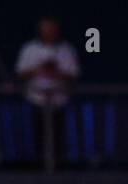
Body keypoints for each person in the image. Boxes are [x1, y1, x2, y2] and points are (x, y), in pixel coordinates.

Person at [15, 17, 80, 165]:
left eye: (52, 30)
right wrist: (39, 68)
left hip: (59, 101)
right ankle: (38, 165)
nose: (49, 33)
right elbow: (20, 73)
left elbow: (73, 75)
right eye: (46, 30)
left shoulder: (66, 50)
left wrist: (56, 70)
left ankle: (58, 166)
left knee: (58, 137)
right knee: (38, 136)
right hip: (36, 100)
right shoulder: (29, 49)